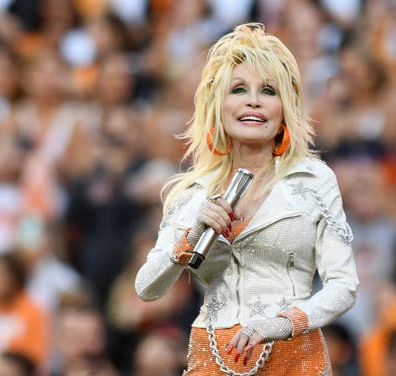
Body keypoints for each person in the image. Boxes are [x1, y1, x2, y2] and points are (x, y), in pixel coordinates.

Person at [134, 23, 359, 375]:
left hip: (294, 353)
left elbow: (344, 287)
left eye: (268, 91)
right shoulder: (193, 192)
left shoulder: (313, 179)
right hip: (212, 354)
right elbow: (146, 287)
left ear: (285, 108)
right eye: (238, 89)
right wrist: (192, 237)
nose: (253, 100)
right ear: (218, 105)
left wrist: (282, 324)